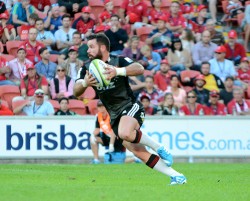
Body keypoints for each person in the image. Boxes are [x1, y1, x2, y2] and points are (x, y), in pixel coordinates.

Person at [74, 33, 186, 185]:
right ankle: (177, 176)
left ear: (102, 47)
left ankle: (159, 147)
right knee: (138, 152)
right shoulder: (87, 68)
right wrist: (85, 83)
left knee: (125, 132)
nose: (88, 50)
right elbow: (76, 91)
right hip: (114, 116)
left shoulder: (118, 60)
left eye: (92, 47)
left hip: (130, 106)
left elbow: (139, 68)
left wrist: (118, 71)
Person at [90, 100, 125, 164]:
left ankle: (134, 158)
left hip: (116, 138)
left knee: (120, 161)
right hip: (106, 137)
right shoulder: (98, 116)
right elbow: (97, 129)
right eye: (99, 107)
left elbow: (114, 130)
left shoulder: (111, 115)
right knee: (93, 139)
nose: (101, 108)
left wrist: (111, 144)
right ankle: (96, 159)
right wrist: (92, 135)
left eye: (103, 106)